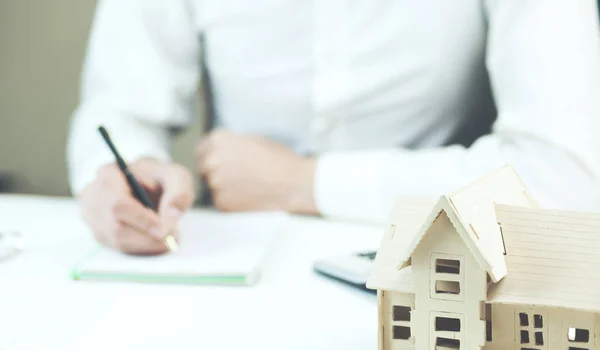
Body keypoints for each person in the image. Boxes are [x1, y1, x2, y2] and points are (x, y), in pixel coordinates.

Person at [67, 0, 600, 255]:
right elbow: (119, 113)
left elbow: (565, 177)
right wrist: (119, 174)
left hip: (442, 260)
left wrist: (304, 182)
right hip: (227, 263)